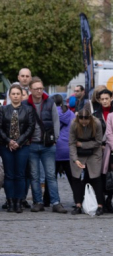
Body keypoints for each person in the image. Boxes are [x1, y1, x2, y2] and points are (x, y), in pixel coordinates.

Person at [24, 77, 67, 213]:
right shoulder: (26, 104)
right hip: (31, 144)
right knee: (35, 175)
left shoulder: (49, 102)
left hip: (48, 145)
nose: (38, 91)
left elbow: (56, 121)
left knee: (50, 175)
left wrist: (56, 138)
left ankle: (56, 202)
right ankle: (38, 202)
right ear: (30, 90)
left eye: (41, 88)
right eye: (36, 89)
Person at [0, 84, 35, 213]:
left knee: (20, 174)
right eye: (13, 94)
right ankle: (9, 202)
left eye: (18, 94)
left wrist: (18, 142)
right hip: (5, 146)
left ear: (21, 95)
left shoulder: (28, 110)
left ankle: (19, 202)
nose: (15, 96)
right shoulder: (3, 110)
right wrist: (9, 141)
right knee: (9, 175)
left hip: (23, 146)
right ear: (9, 95)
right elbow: (0, 128)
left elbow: (30, 128)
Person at [69, 107, 104, 215]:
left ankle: (100, 205)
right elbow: (72, 143)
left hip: (94, 151)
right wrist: (75, 159)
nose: (84, 124)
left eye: (86, 122)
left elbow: (99, 142)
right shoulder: (74, 124)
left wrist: (83, 145)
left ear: (90, 119)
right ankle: (78, 204)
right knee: (76, 177)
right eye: (82, 122)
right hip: (78, 152)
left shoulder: (96, 123)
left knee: (96, 177)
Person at [53, 95, 76, 203]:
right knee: (73, 178)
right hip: (68, 149)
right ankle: (78, 199)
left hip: (55, 148)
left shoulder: (52, 113)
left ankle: (48, 200)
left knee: (51, 178)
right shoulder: (70, 113)